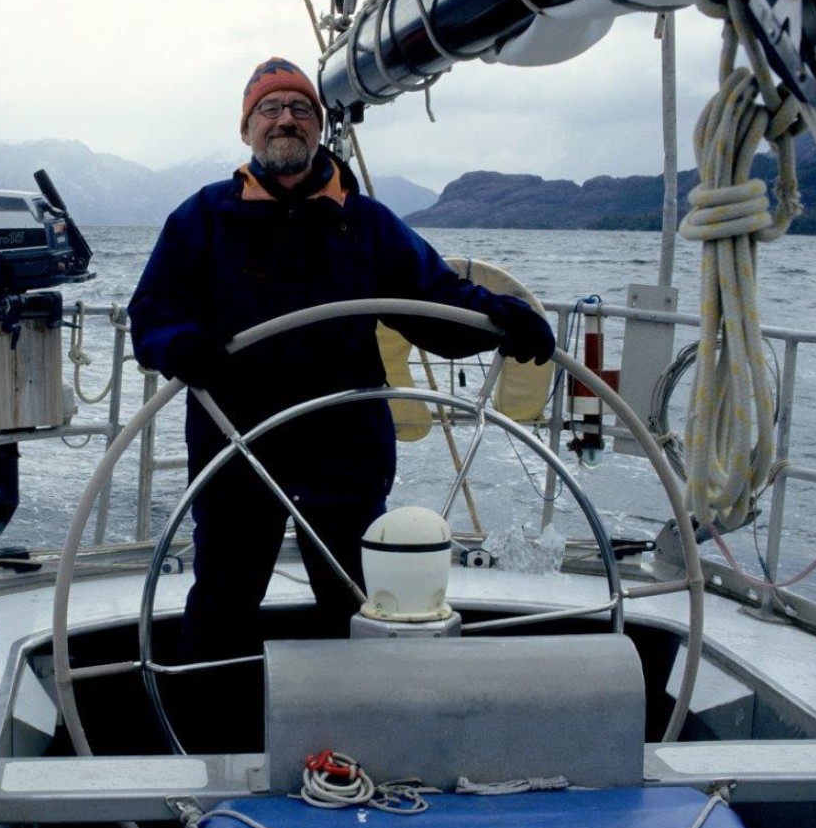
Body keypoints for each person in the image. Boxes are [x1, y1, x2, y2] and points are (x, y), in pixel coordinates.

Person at [128, 57, 554, 663]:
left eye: (301, 109)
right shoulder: (202, 218)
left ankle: (351, 736)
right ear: (247, 129)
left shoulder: (366, 222)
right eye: (270, 110)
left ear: (319, 127)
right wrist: (180, 344)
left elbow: (434, 298)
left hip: (344, 448)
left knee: (356, 604)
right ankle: (205, 736)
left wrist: (500, 319)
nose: (286, 121)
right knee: (223, 602)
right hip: (237, 445)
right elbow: (151, 310)